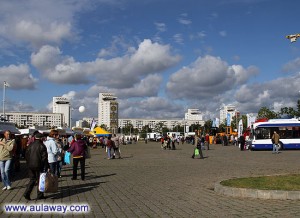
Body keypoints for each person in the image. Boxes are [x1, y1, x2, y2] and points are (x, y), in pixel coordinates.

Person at [23, 133, 49, 200]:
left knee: (32, 180)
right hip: (39, 166)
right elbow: (44, 158)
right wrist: (46, 166)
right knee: (40, 180)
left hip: (30, 165)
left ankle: (27, 193)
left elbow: (26, 155)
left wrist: (28, 163)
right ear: (41, 138)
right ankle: (40, 195)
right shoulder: (42, 146)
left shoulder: (31, 145)